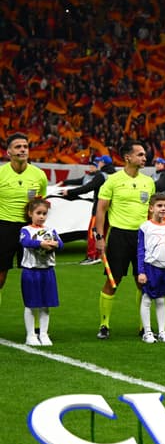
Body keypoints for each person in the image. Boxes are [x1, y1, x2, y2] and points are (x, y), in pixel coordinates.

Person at [93, 140, 156, 339]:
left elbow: (152, 212)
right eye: (140, 154)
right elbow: (101, 210)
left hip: (142, 237)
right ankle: (104, 324)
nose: (144, 158)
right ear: (127, 157)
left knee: (142, 281)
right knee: (113, 281)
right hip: (119, 235)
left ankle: (143, 326)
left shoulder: (149, 182)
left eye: (144, 155)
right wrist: (99, 237)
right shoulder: (112, 180)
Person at [0, 133, 48, 310]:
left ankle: (35, 327)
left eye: (25, 147)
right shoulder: (1, 173)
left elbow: (40, 201)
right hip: (4, 226)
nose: (22, 150)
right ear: (8, 152)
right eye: (18, 147)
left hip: (30, 229)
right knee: (0, 276)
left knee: (33, 276)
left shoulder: (38, 175)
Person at [19, 196, 62, 346]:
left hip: (47, 271)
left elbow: (60, 244)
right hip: (31, 272)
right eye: (39, 213)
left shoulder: (50, 230)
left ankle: (43, 334)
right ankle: (30, 335)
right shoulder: (26, 230)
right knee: (31, 304)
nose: (42, 216)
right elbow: (25, 242)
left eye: (44, 213)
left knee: (46, 304)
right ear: (30, 213)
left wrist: (54, 243)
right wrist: (40, 243)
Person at [137, 192, 165, 344]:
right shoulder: (145, 227)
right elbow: (141, 250)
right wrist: (141, 271)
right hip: (150, 268)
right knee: (147, 299)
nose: (163, 209)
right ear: (151, 208)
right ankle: (147, 332)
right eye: (159, 206)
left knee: (161, 300)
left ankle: (162, 331)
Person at [59, 155, 115, 265]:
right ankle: (101, 255)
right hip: (112, 210)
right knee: (103, 233)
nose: (97, 164)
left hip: (99, 209)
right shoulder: (116, 176)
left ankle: (92, 256)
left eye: (98, 162)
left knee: (93, 233)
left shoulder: (101, 175)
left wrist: (69, 192)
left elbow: (87, 188)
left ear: (102, 163)